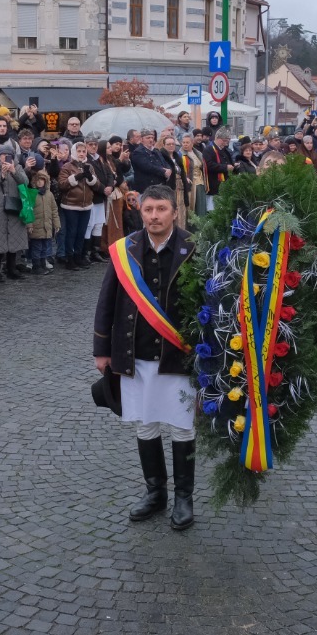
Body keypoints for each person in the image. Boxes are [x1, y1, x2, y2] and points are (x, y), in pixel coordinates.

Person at [93, 184, 199, 530]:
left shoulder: (194, 248)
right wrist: (101, 350)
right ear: (141, 212)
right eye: (148, 209)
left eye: (161, 209)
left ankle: (184, 497)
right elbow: (107, 300)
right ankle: (155, 493)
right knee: (145, 422)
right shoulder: (124, 250)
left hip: (178, 354)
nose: (154, 216)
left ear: (175, 212)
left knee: (182, 425)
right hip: (134, 353)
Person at [0, 151, 29, 281]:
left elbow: (25, 182)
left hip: (14, 209)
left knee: (13, 240)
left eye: (8, 155)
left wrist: (13, 171)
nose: (5, 157)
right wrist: (1, 176)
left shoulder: (18, 167)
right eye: (3, 155)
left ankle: (11, 269)